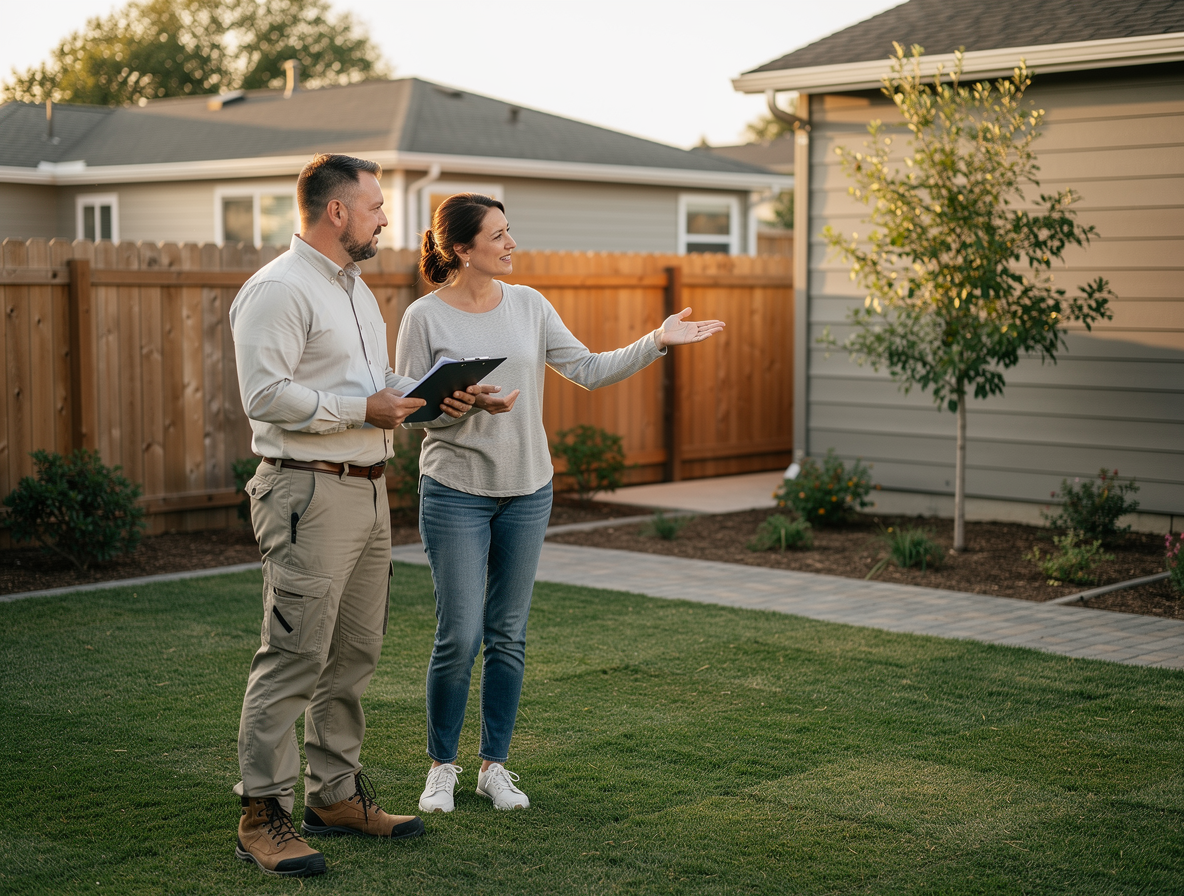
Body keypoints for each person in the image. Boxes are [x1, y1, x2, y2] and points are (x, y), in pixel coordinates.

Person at [396, 193, 725, 814]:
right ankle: (442, 766)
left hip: (527, 489)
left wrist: (660, 339)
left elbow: (591, 369)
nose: (510, 243)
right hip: (455, 491)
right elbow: (413, 410)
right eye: (497, 236)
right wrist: (459, 405)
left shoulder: (528, 305)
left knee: (508, 634)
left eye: (509, 231)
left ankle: (495, 766)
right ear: (462, 249)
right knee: (459, 636)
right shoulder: (424, 317)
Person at [229, 154, 486, 877]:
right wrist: (361, 408)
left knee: (354, 654)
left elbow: (375, 385)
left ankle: (334, 794)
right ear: (335, 211)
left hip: (369, 489)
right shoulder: (278, 290)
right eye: (375, 205)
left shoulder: (354, 289)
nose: (385, 218)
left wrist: (442, 395)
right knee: (294, 656)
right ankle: (261, 814)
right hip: (307, 493)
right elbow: (265, 396)